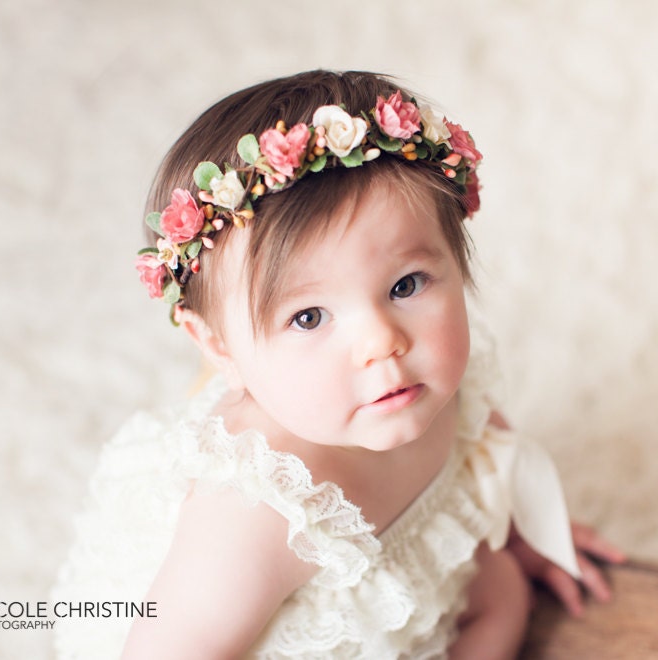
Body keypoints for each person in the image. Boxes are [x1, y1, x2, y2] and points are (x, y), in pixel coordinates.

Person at [53, 69, 625, 659]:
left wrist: (526, 531)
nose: (383, 342)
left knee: (503, 592)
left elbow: (481, 436)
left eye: (406, 284)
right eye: (309, 318)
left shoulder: (423, 380)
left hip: (399, 589)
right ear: (221, 349)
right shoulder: (258, 512)